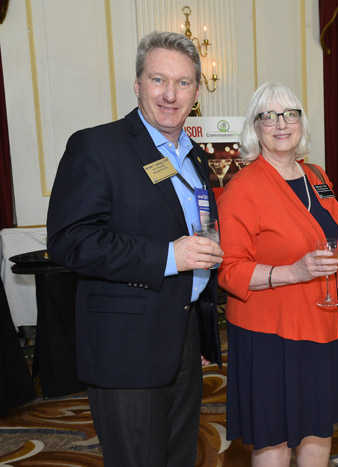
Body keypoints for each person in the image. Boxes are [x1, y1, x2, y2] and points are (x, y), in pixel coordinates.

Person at [46, 31, 223, 466]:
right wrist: (168, 256)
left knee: (180, 455)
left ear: (196, 92)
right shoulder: (98, 146)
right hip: (125, 349)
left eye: (183, 83)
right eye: (158, 79)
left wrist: (198, 329)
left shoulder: (196, 158)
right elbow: (70, 241)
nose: (170, 94)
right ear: (138, 84)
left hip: (181, 339)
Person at [217, 82, 338, 466]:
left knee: (318, 427)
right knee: (275, 437)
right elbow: (230, 271)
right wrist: (292, 272)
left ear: (301, 122)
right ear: (254, 127)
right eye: (269, 116)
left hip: (327, 324)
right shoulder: (242, 189)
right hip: (272, 334)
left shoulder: (317, 176)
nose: (281, 124)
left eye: (290, 114)